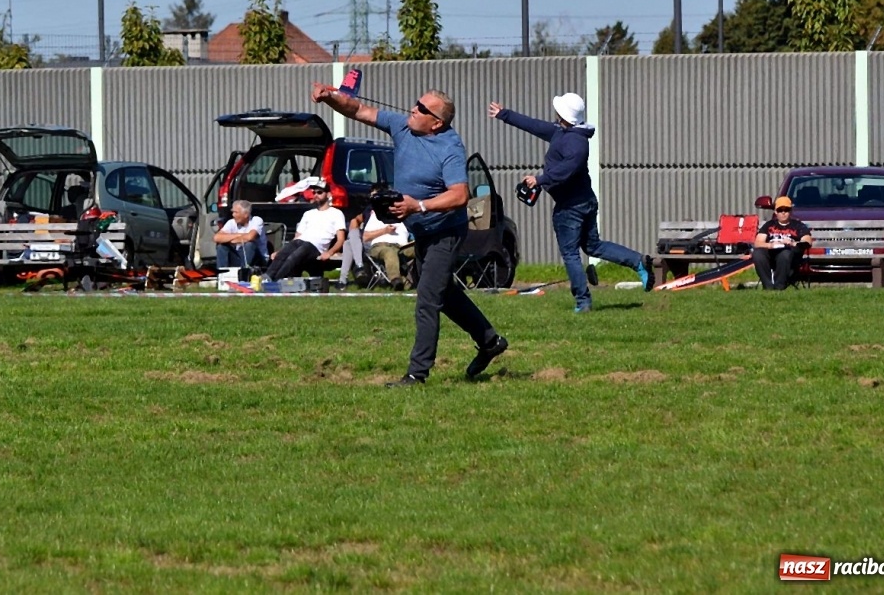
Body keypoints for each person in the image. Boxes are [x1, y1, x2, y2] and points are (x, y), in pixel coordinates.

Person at [313, 82, 507, 385]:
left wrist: (418, 205)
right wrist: (330, 98)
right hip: (423, 231)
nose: (413, 110)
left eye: (422, 109)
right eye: (416, 103)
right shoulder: (404, 126)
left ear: (437, 123)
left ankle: (417, 374)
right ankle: (490, 341)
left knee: (427, 299)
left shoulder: (450, 148)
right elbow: (359, 109)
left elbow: (460, 195)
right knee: (445, 293)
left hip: (445, 231)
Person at [489, 94, 654, 312]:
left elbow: (567, 170)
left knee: (570, 254)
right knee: (593, 246)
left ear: (564, 115)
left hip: (571, 207)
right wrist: (504, 114)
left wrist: (540, 179)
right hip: (584, 201)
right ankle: (637, 261)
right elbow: (534, 125)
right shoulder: (562, 131)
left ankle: (583, 301)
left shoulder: (576, 143)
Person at [264, 187, 346, 280]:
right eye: (314, 193)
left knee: (294, 257)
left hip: (316, 247)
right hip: (300, 241)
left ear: (328, 194)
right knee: (282, 254)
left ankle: (276, 281)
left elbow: (341, 239)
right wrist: (280, 251)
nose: (316, 195)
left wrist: (329, 253)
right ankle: (266, 278)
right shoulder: (308, 213)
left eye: (319, 192)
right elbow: (297, 236)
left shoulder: (336, 214)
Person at [753, 196, 811, 290]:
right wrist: (771, 245)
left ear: (790, 211)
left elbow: (807, 241)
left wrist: (792, 243)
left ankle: (779, 287)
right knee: (758, 254)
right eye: (780, 210)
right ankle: (768, 286)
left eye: (786, 210)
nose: (783, 212)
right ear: (775, 212)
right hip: (771, 254)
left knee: (785, 254)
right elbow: (758, 243)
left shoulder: (798, 226)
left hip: (790, 256)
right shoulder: (769, 225)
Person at [212, 200, 266, 271]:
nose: (233, 215)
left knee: (249, 245)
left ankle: (245, 272)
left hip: (257, 259)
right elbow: (216, 237)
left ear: (246, 214)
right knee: (221, 246)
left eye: (236, 212)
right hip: (238, 256)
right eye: (233, 212)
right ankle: (222, 271)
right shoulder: (231, 222)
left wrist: (229, 239)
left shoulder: (256, 220)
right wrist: (239, 235)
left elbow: (251, 237)